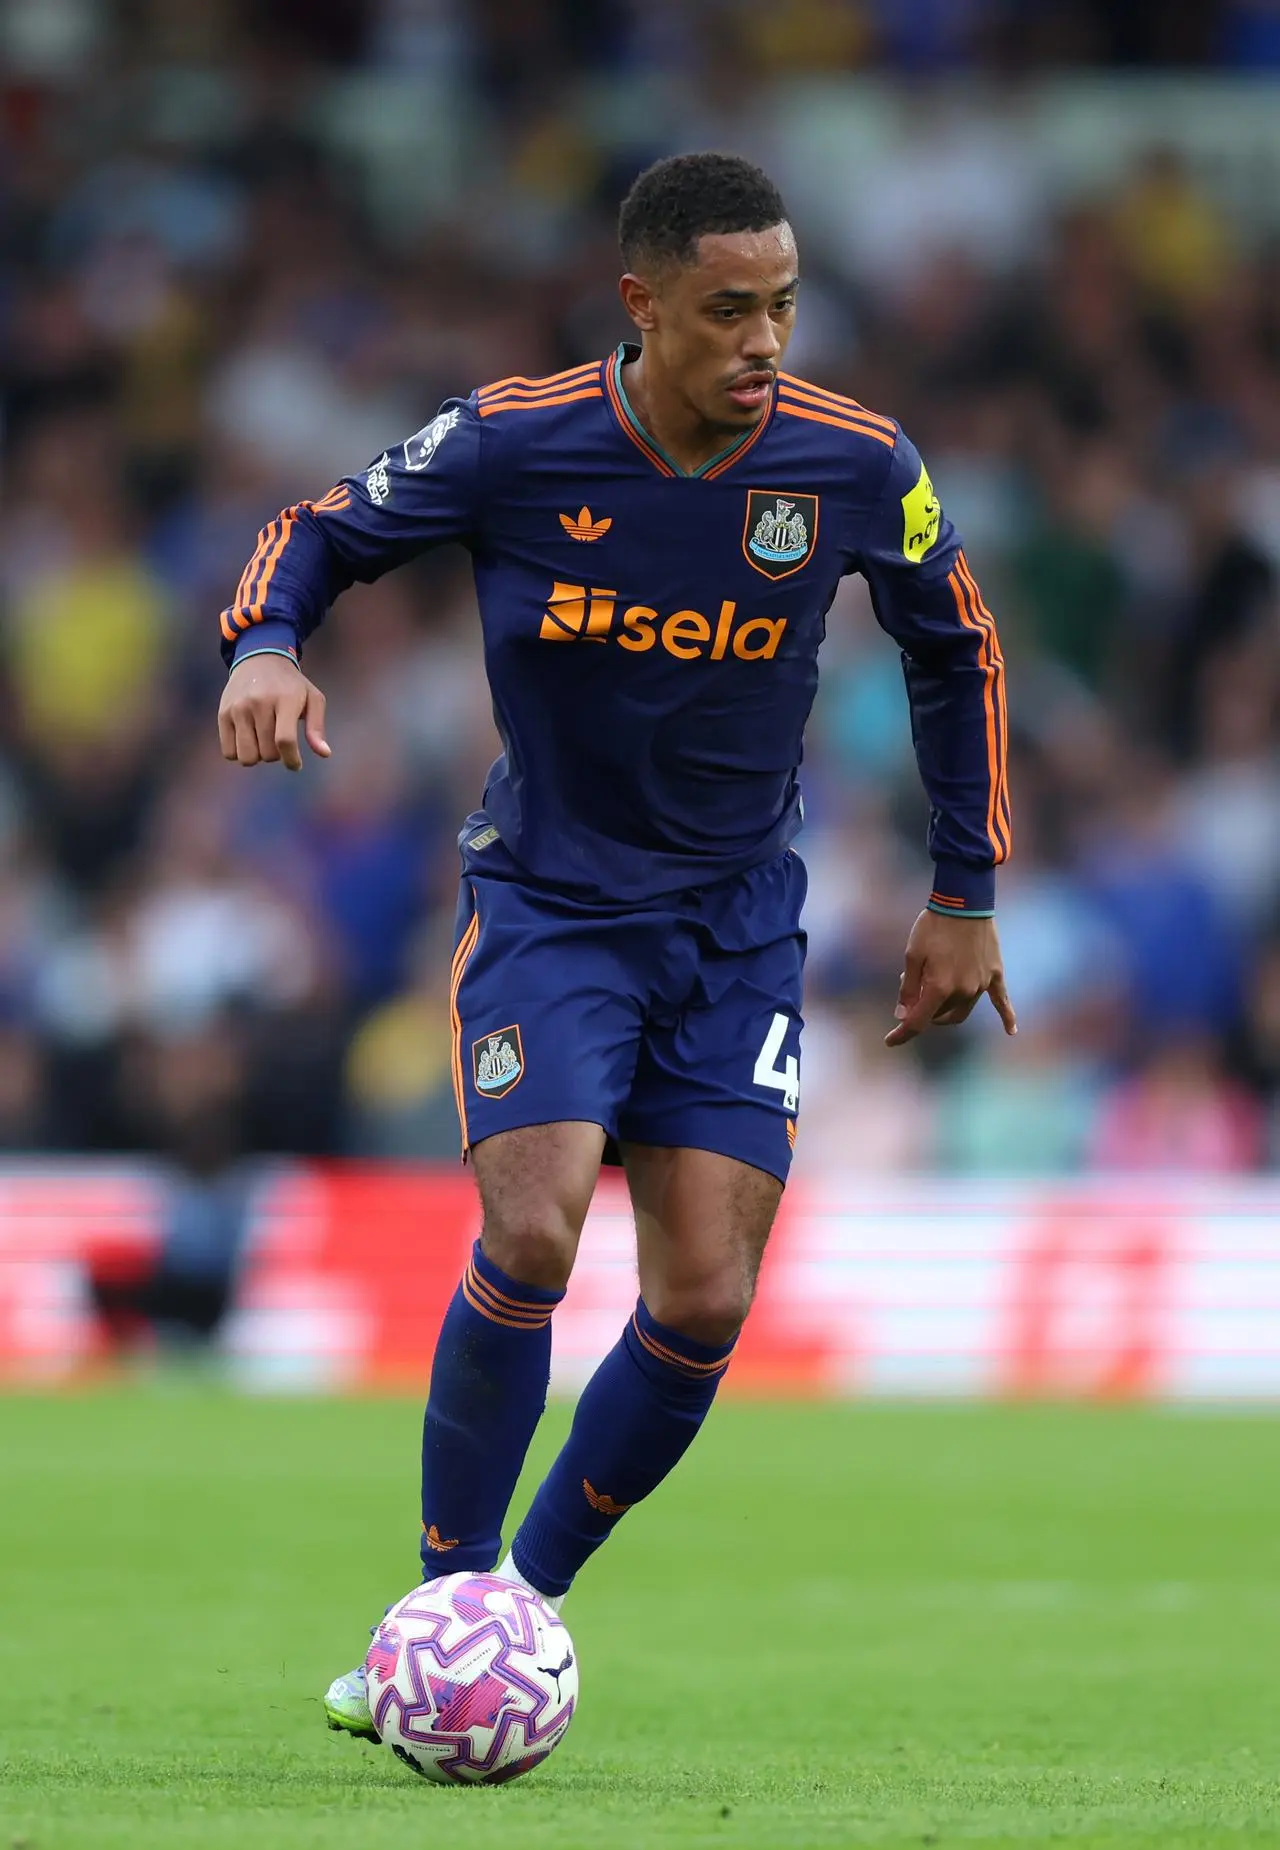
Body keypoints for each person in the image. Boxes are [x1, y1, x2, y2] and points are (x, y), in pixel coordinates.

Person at [216, 152, 1016, 1739]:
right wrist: (265, 644)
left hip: (734, 928)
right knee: (531, 1231)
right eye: (729, 311)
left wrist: (966, 890)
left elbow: (958, 645)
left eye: (785, 305)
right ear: (642, 306)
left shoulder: (855, 464)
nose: (766, 340)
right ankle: (437, 1611)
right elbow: (319, 527)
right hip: (554, 906)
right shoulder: (516, 440)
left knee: (708, 1297)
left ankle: (522, 1600)